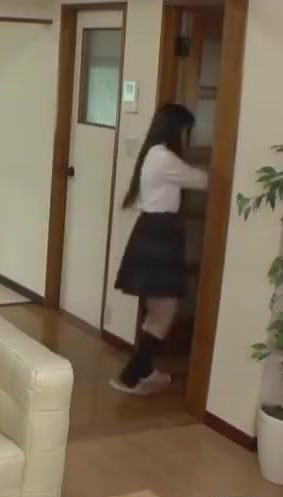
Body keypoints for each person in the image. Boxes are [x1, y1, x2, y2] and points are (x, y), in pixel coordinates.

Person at [111, 103, 208, 395]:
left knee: (157, 311)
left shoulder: (154, 153)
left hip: (152, 231)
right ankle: (133, 375)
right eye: (187, 131)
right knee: (165, 311)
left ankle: (141, 371)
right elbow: (204, 180)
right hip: (160, 234)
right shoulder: (165, 157)